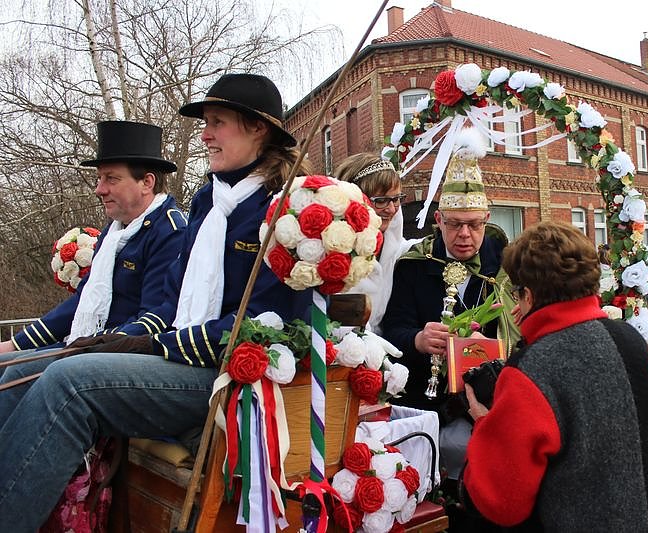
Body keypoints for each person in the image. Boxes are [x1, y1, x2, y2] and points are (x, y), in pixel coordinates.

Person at [0, 73, 311, 531]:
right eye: (206, 122)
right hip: (179, 357)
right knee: (24, 370)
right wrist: (118, 339)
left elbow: (267, 323)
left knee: (70, 383)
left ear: (257, 129)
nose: (204, 134)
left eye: (217, 122)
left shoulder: (286, 208)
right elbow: (171, 299)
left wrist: (158, 347)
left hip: (227, 375)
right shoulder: (209, 198)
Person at [460, 221, 648, 532]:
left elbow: (502, 502)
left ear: (527, 295)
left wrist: (485, 422)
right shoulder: (630, 340)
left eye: (517, 294)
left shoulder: (531, 368)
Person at [382, 132, 516, 493]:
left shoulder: (506, 268)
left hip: (485, 404)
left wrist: (490, 347)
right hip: (421, 403)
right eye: (455, 224)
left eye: (474, 224)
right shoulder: (412, 265)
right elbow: (391, 328)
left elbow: (522, 336)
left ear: (487, 218)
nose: (465, 235)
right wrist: (418, 339)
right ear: (438, 219)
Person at [0, 121, 186, 354]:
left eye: (111, 178)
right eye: (99, 179)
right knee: (7, 366)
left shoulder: (170, 232)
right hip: (91, 344)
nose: (99, 189)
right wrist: (14, 345)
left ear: (146, 183)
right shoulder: (113, 233)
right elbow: (80, 304)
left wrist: (89, 345)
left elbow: (155, 316)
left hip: (122, 352)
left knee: (22, 374)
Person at [334, 153, 420, 332]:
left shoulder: (395, 247)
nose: (391, 209)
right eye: (381, 201)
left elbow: (419, 246)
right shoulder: (332, 247)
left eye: (396, 199)